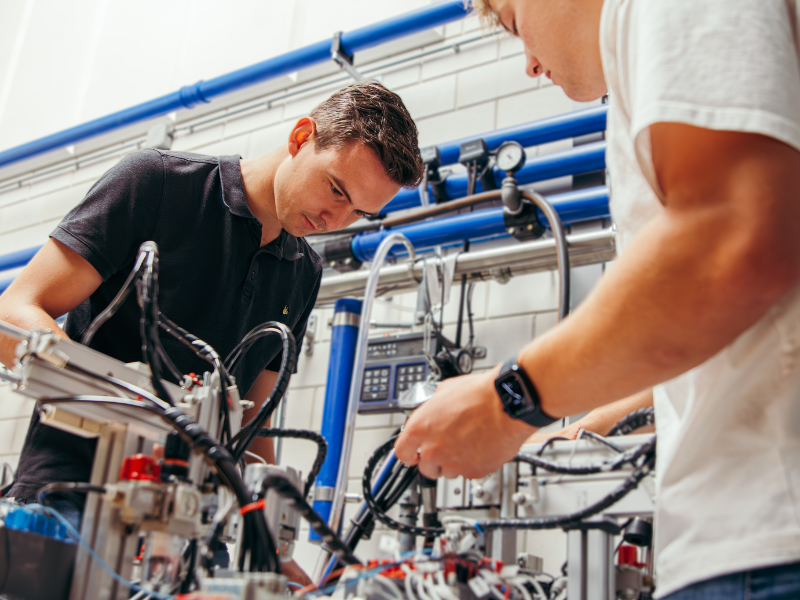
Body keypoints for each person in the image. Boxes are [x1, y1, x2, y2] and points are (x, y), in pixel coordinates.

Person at [395, 1, 800, 598]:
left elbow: (732, 243)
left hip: (765, 536)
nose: (529, 64)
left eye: (513, 24)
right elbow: (733, 326)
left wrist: (505, 400)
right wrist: (580, 429)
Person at [0, 81, 423, 583]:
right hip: (70, 501)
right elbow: (14, 313)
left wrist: (278, 556)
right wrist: (134, 405)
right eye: (335, 188)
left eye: (359, 213)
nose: (335, 218)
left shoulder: (302, 271)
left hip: (192, 534)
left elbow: (253, 424)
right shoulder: (157, 184)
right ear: (301, 137)